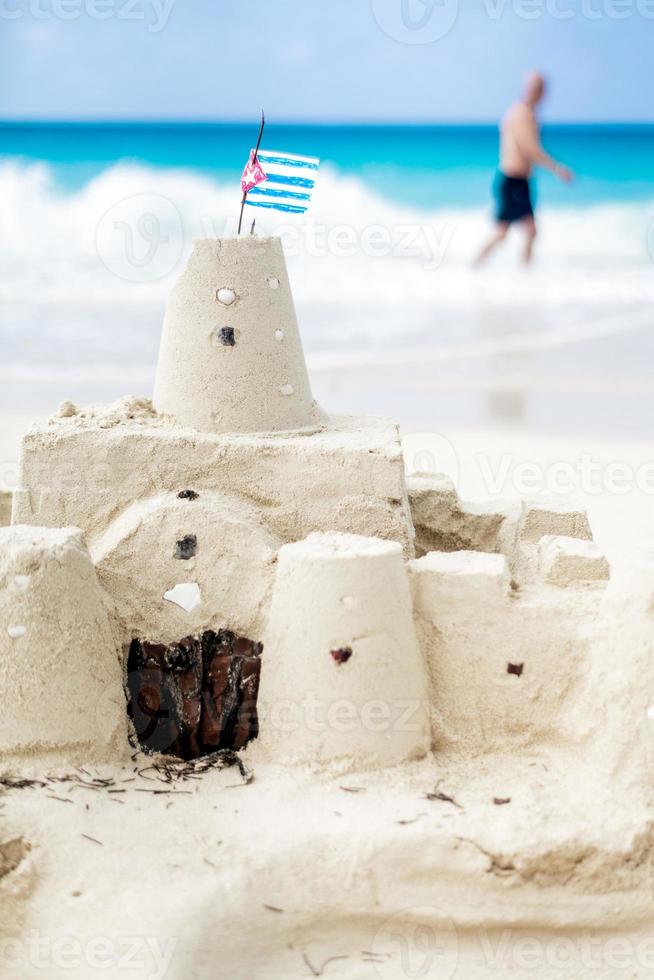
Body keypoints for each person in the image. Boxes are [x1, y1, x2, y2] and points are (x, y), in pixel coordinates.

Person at [475, 72, 574, 266]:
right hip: (513, 180)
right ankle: (477, 267)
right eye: (536, 87)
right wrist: (556, 168)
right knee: (510, 232)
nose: (540, 93)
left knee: (523, 231)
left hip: (519, 181)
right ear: (529, 88)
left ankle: (520, 273)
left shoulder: (525, 113)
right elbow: (529, 148)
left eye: (542, 88)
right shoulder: (521, 113)